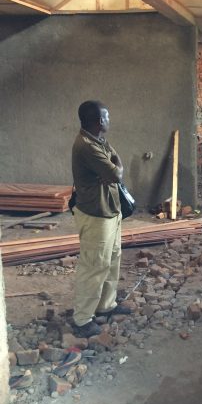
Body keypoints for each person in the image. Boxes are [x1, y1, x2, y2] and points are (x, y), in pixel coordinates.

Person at [71, 100, 131, 338]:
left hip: (109, 210)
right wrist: (115, 169)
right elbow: (115, 173)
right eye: (107, 117)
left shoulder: (98, 140)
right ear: (98, 121)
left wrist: (112, 169)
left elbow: (113, 163)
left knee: (112, 259)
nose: (109, 120)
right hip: (96, 214)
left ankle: (106, 305)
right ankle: (82, 319)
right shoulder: (87, 146)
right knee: (94, 266)